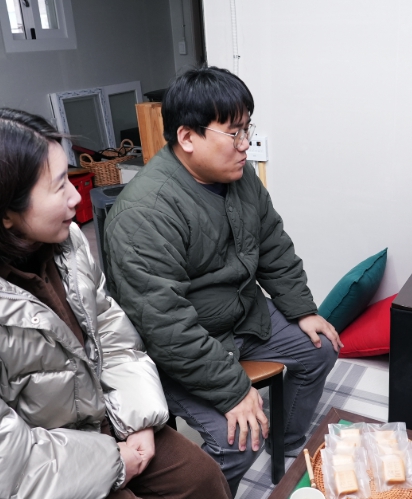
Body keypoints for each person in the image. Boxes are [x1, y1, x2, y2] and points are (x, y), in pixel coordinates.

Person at [0, 107, 231, 499]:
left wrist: (138, 418)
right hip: (27, 469)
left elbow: (111, 332)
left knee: (201, 477)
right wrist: (114, 463)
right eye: (60, 186)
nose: (76, 197)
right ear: (3, 211)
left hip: (96, 418)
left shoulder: (66, 243)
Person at [103, 66, 341, 493]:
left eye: (247, 129)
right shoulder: (145, 213)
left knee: (320, 349)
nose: (246, 144)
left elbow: (273, 245)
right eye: (234, 133)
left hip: (242, 315)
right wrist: (232, 391)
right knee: (238, 443)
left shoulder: (240, 176)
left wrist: (303, 309)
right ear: (187, 137)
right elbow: (166, 327)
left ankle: (285, 444)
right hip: (179, 348)